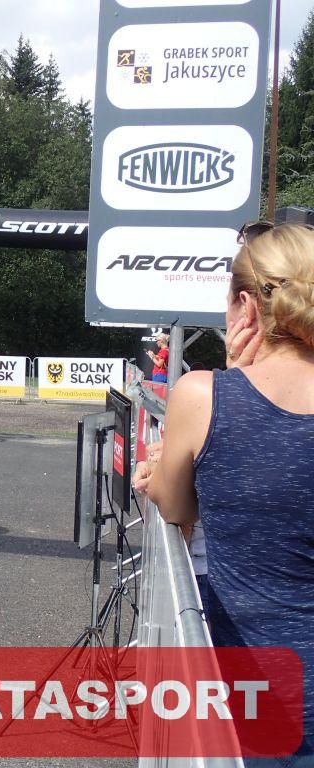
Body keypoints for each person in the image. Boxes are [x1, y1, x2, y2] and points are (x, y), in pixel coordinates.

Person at [133, 222, 314, 764]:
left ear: (246, 307)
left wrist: (233, 380)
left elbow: (177, 506)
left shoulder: (204, 395)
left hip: (261, 693)